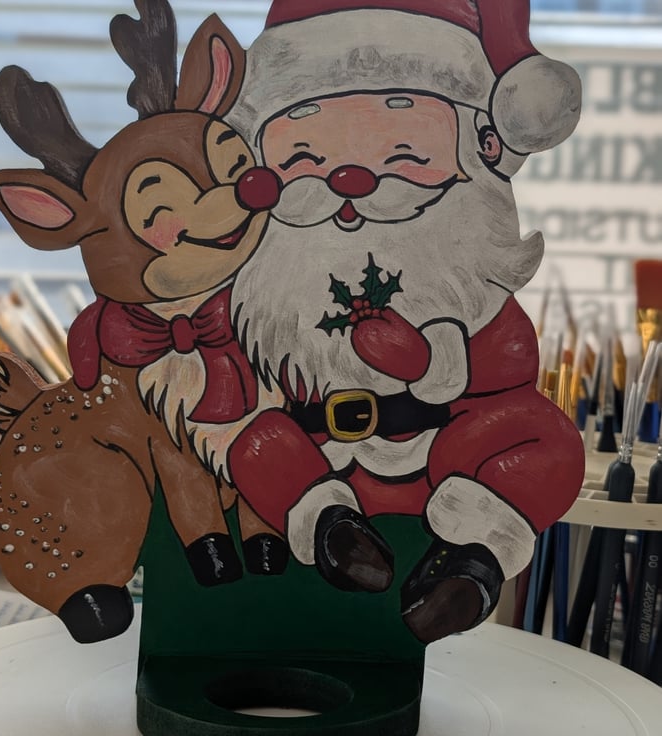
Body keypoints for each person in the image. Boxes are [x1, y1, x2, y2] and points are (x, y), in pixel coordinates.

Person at [226, 0, 585, 643]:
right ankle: (333, 530)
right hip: (323, 450)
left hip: (450, 447)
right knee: (257, 444)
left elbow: (509, 368)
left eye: (404, 154)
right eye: (305, 158)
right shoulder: (263, 292)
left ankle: (471, 560)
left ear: (478, 148)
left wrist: (428, 361)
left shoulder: (472, 289)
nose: (350, 180)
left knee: (546, 443)